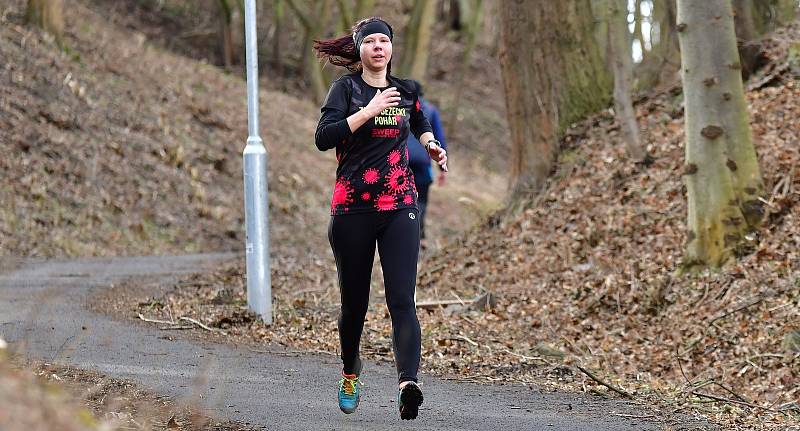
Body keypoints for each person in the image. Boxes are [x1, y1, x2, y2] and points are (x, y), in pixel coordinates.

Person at [313, 17, 447, 420]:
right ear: (359, 49)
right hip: (352, 208)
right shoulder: (346, 89)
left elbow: (419, 119)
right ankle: (351, 370)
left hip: (400, 206)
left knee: (402, 299)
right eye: (369, 41)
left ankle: (409, 383)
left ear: (391, 49)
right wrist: (367, 111)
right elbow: (324, 137)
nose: (377, 47)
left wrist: (431, 143)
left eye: (383, 41)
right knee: (354, 306)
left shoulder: (404, 91)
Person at [406, 81, 447, 249]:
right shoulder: (430, 110)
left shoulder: (396, 108)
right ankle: (420, 236)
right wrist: (442, 167)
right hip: (423, 162)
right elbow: (439, 139)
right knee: (421, 199)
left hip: (401, 161)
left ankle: (404, 233)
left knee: (403, 198)